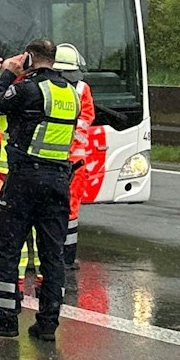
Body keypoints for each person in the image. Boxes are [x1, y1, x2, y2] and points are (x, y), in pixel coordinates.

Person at [0, 38, 80, 341]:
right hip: (59, 180)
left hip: (24, 179)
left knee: (7, 247)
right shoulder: (71, 93)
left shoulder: (27, 88)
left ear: (29, 58)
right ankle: (48, 323)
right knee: (52, 254)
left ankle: (5, 317)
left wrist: (6, 73)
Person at [55, 43, 101, 268]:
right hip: (75, 161)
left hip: (51, 159)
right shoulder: (83, 88)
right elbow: (87, 118)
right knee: (71, 209)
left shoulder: (47, 86)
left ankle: (50, 255)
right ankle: (67, 257)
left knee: (47, 209)